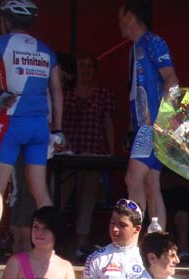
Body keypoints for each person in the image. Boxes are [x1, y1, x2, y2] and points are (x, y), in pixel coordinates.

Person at [0, 0, 64, 262]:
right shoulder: (46, 50)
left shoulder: (0, 42)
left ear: (6, 21)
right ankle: (52, 245)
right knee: (40, 190)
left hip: (12, 121)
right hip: (40, 127)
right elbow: (57, 91)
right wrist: (57, 129)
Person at [118, 0, 178, 230]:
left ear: (130, 16)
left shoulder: (153, 41)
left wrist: (163, 121)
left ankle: (132, 241)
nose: (119, 23)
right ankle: (157, 240)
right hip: (143, 126)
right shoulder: (134, 48)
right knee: (151, 183)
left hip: (152, 125)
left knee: (133, 179)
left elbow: (172, 79)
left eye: (120, 16)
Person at [60, 51, 116, 259]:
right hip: (66, 153)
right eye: (81, 66)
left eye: (89, 66)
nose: (85, 70)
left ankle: (80, 244)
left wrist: (111, 151)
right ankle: (53, 239)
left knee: (87, 200)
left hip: (93, 152)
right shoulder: (64, 91)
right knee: (58, 196)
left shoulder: (101, 93)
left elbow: (107, 121)